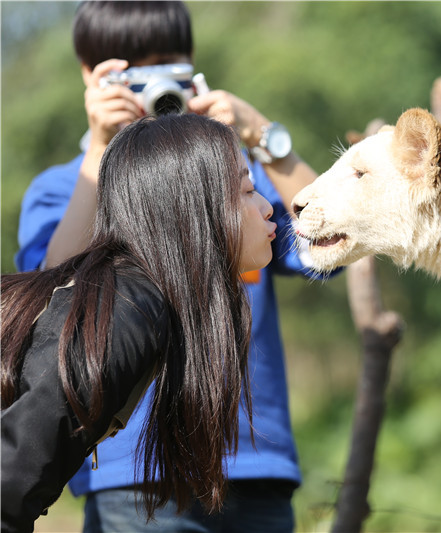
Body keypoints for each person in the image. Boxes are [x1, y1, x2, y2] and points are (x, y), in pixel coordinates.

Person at [14, 2, 328, 531]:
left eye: (170, 67)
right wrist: (99, 151)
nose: (154, 87)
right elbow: (57, 304)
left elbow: (328, 250)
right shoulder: (63, 188)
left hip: (256, 459)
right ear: (92, 79)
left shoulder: (239, 180)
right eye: (132, 75)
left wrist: (264, 138)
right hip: (133, 474)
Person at [2, 113, 276, 533]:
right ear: (193, 208)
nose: (266, 206)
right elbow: (10, 482)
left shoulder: (134, 296)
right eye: (247, 190)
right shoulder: (129, 308)